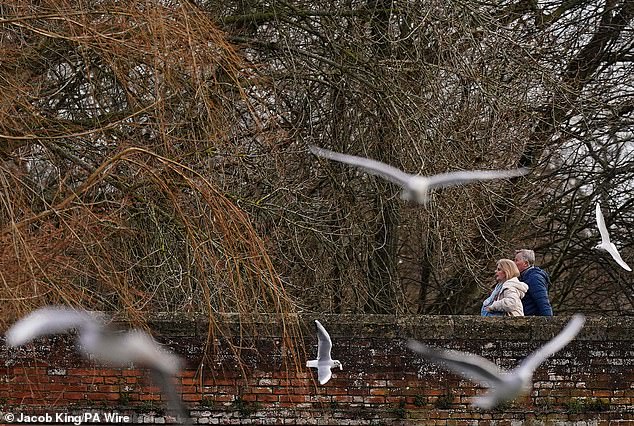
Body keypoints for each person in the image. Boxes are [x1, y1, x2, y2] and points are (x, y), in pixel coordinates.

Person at [514, 249, 554, 316]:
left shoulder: (534, 278)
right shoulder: (523, 277)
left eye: (516, 260)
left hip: (532, 320)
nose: (513, 263)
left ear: (526, 263)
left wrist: (548, 323)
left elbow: (543, 302)